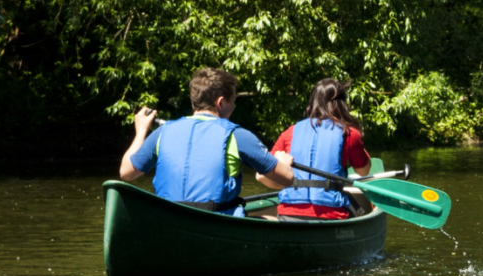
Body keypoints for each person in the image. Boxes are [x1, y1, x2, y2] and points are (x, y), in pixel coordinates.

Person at [119, 67, 294, 215]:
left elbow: (126, 172)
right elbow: (287, 179)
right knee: (270, 219)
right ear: (221, 103)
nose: (234, 107)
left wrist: (141, 131)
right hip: (216, 224)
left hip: (169, 220)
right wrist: (283, 163)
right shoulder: (237, 135)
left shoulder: (163, 132)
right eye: (233, 101)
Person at [270, 79, 372, 221]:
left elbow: (263, 173)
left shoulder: (290, 132)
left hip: (289, 215)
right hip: (331, 216)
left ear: (313, 103)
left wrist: (286, 183)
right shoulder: (349, 134)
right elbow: (364, 171)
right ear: (342, 104)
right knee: (358, 214)